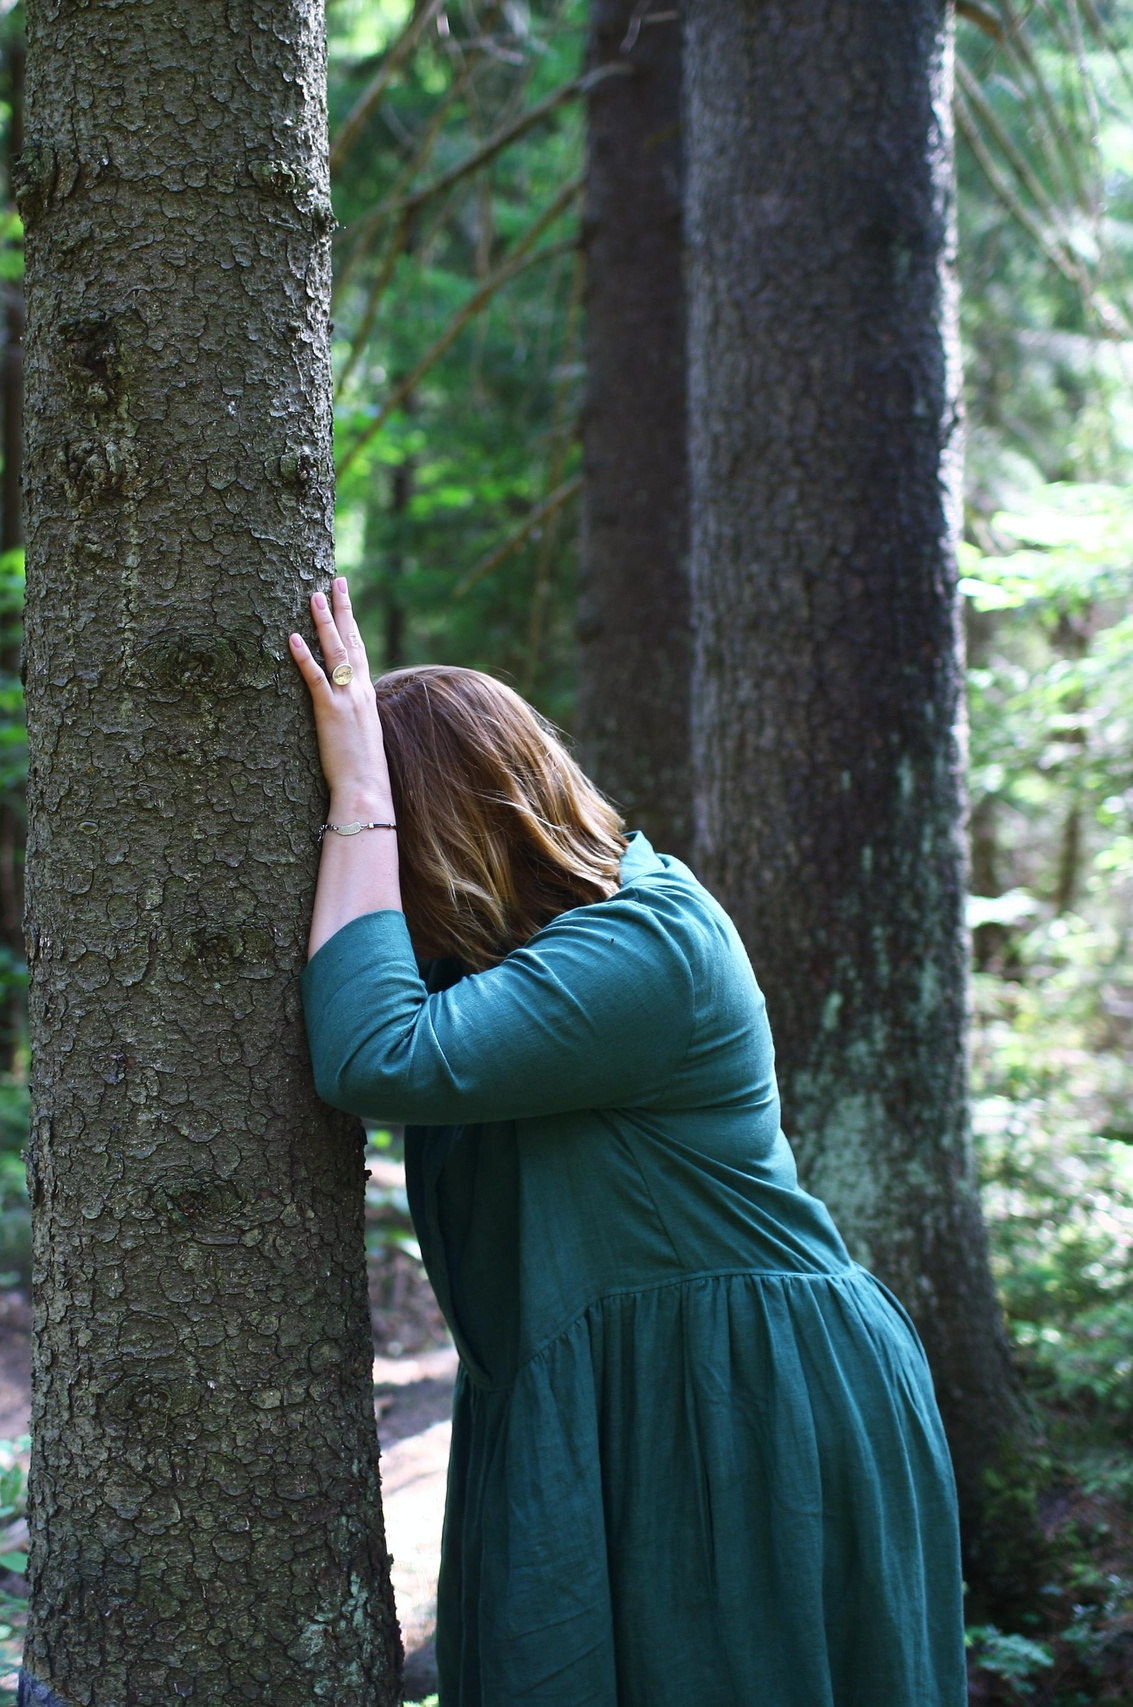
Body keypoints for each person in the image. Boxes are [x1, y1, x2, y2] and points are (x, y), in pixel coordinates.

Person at [287, 577, 966, 1707]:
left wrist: (356, 790)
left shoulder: (645, 945)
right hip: (628, 1391)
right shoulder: (522, 957)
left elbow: (375, 1057)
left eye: (383, 838)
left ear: (445, 831)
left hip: (740, 1400)